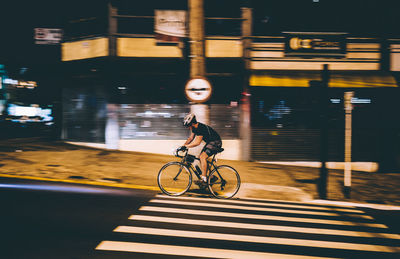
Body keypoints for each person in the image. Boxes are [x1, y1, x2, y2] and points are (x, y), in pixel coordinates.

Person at [179, 113, 222, 184]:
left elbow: (197, 142)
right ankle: (211, 177)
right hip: (210, 142)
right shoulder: (194, 128)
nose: (187, 128)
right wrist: (183, 145)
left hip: (215, 142)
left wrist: (186, 146)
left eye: (188, 126)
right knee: (201, 157)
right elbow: (190, 138)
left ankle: (204, 178)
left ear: (192, 123)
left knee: (202, 157)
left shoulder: (200, 128)